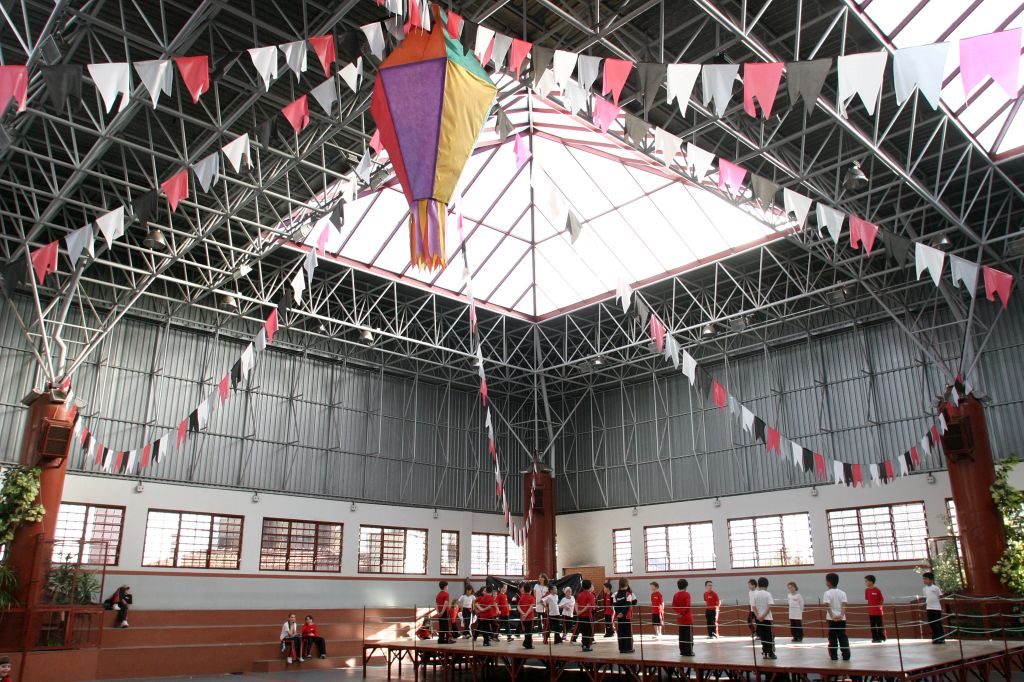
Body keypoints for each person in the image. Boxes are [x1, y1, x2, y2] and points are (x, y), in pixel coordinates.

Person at [823, 573, 850, 661]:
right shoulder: (843, 593)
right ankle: (846, 655)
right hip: (842, 619)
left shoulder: (827, 593)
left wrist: (832, 616)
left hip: (831, 619)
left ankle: (834, 656)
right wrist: (841, 615)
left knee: (832, 637)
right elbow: (844, 605)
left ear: (829, 582)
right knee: (842, 636)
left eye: (826, 581)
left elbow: (828, 605)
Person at [752, 577, 776, 659]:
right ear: (767, 585)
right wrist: (763, 616)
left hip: (759, 619)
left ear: (758, 585)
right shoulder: (768, 594)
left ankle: (765, 652)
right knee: (769, 636)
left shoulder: (755, 594)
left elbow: (753, 607)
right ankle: (770, 653)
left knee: (762, 636)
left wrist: (758, 616)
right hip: (767, 618)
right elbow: (769, 606)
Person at [613, 577, 637, 653]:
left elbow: (615, 605)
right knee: (627, 632)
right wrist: (622, 613)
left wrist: (618, 613)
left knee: (620, 632)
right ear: (627, 584)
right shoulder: (628, 594)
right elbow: (628, 604)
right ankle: (628, 648)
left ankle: (621, 649)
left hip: (619, 617)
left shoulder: (615, 594)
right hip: (627, 616)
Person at [672, 578, 694, 656]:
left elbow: (673, 606)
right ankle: (689, 652)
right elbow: (688, 605)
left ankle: (682, 651)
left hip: (680, 618)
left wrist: (679, 613)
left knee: (681, 635)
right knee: (688, 636)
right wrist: (683, 613)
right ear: (686, 586)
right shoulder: (687, 594)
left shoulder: (676, 595)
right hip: (687, 618)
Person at [922, 572, 945, 644]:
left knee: (937, 623)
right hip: (929, 608)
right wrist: (923, 604)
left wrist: (942, 607)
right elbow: (926, 598)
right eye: (923, 579)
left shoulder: (936, 588)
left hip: (936, 608)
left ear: (931, 580)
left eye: (926, 579)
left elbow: (940, 597)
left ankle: (941, 638)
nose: (924, 580)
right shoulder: (924, 589)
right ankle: (935, 638)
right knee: (931, 623)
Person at [576, 579, 596, 652]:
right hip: (587, 616)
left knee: (583, 631)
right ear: (590, 586)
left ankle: (584, 645)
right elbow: (589, 606)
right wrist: (581, 611)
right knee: (589, 631)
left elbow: (576, 603)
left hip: (580, 616)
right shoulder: (590, 595)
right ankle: (587, 646)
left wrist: (578, 612)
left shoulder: (579, 594)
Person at [865, 575, 886, 643]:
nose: (865, 583)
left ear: (871, 582)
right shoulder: (867, 590)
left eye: (866, 581)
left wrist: (879, 607)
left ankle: (880, 637)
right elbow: (867, 599)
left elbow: (881, 600)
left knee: (879, 625)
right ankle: (874, 638)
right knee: (873, 626)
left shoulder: (877, 590)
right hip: (871, 612)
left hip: (878, 612)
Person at [518, 581, 536, 650]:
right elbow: (531, 608)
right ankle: (528, 645)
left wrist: (522, 613)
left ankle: (526, 643)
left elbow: (518, 606)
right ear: (530, 590)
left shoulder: (522, 597)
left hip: (523, 617)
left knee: (526, 631)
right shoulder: (532, 598)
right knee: (529, 631)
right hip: (529, 617)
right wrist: (526, 614)